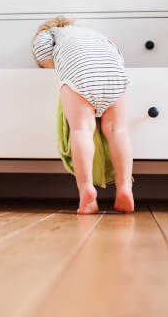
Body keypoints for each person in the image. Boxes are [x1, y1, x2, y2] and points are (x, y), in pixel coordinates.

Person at [31, 16, 134, 214]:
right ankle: (124, 188)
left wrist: (51, 64)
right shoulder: (96, 34)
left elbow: (42, 54)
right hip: (115, 73)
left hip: (80, 73)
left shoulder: (49, 34)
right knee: (118, 130)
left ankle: (86, 189)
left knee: (82, 130)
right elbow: (118, 55)